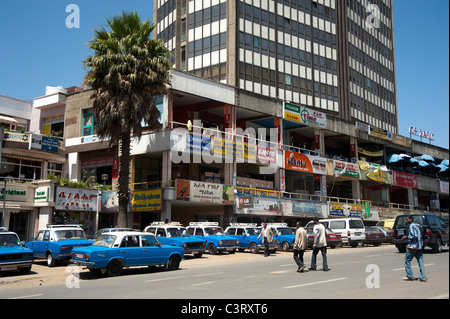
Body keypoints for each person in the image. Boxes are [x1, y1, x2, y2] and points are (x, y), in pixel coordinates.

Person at [401, 216, 427, 282]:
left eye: (407, 219)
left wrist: (405, 237)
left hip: (413, 246)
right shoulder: (417, 225)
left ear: (411, 219)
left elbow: (413, 236)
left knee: (407, 260)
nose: (406, 221)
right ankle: (422, 276)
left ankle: (409, 276)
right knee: (420, 261)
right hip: (419, 246)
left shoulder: (411, 226)